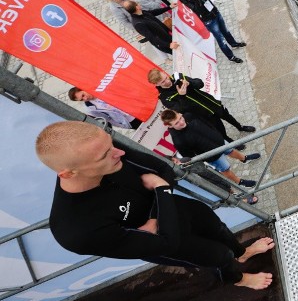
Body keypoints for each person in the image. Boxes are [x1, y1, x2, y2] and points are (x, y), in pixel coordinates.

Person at [37, 121, 274, 290]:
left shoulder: (107, 152)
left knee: (217, 227)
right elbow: (166, 242)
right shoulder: (75, 230)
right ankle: (239, 279)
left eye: (112, 143)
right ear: (69, 173)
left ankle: (243, 254)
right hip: (172, 244)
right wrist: (161, 190)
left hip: (178, 210)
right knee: (219, 255)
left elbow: (163, 170)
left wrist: (156, 213)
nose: (120, 152)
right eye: (105, 155)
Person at [161, 110, 260, 204]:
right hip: (212, 156)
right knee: (225, 169)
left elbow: (205, 122)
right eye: (177, 123)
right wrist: (206, 156)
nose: (181, 122)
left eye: (180, 118)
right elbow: (190, 156)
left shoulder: (189, 116)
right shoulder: (178, 140)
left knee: (231, 150)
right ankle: (240, 182)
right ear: (170, 126)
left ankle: (244, 158)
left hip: (219, 141)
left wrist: (217, 134)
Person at [147, 69, 256, 141]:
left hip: (210, 102)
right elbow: (180, 111)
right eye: (162, 82)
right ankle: (230, 141)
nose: (167, 81)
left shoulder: (177, 76)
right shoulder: (164, 97)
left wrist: (191, 83)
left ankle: (240, 127)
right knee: (219, 129)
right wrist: (182, 96)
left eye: (165, 77)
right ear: (156, 84)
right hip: (202, 114)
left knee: (227, 116)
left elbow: (200, 83)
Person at [172, 0, 246, 63]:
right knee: (220, 39)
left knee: (226, 31)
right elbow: (195, 9)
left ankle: (234, 44)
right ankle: (231, 57)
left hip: (214, 11)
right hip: (208, 19)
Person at [68, 86, 143, 129]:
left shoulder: (102, 88)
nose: (85, 99)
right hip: (130, 121)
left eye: (83, 95)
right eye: (81, 100)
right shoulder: (90, 108)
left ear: (83, 89)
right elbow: (107, 119)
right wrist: (123, 125)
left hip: (140, 110)